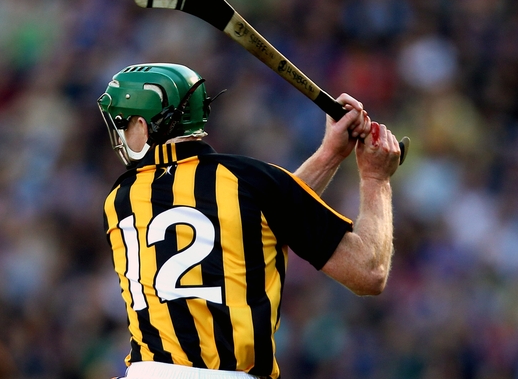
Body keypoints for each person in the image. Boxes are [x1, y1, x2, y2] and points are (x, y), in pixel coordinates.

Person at [97, 63, 401, 379]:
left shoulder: (121, 199)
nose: (119, 135)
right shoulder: (252, 181)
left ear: (146, 128)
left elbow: (253, 221)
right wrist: (375, 178)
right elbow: (368, 272)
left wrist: (329, 155)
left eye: (125, 123)